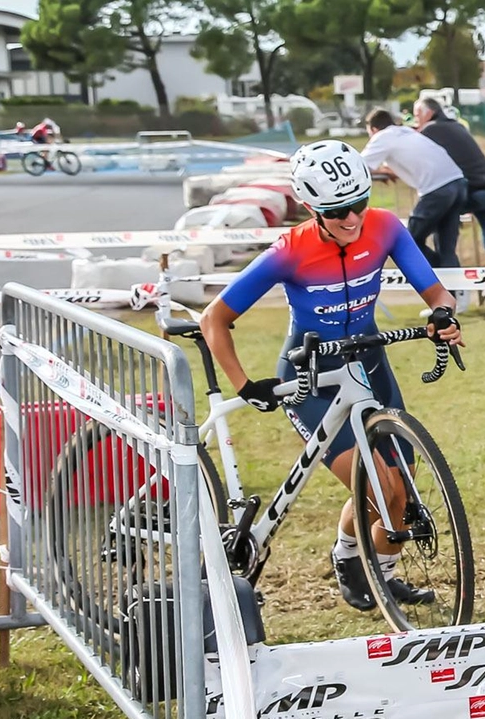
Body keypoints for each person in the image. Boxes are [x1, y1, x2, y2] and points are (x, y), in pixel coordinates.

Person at [198, 139, 464, 612]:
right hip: (312, 379)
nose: (352, 218)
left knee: (400, 480)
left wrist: (444, 315)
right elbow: (213, 319)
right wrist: (244, 384)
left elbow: (437, 292)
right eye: (338, 209)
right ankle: (364, 571)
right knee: (381, 488)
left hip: (368, 361)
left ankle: (361, 564)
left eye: (359, 203)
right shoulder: (289, 251)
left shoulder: (384, 228)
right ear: (310, 206)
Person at [414, 97, 485, 311]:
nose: (415, 120)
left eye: (417, 114)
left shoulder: (429, 131)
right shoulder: (457, 126)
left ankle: (452, 293)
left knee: (445, 242)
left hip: (468, 191)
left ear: (429, 113)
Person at [360, 109, 468, 282]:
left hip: (437, 189)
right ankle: (454, 291)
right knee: (446, 247)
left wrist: (379, 172)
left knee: (407, 242)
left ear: (373, 129)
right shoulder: (405, 131)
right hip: (458, 181)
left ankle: (441, 272)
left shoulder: (382, 137)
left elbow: (360, 166)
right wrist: (388, 170)